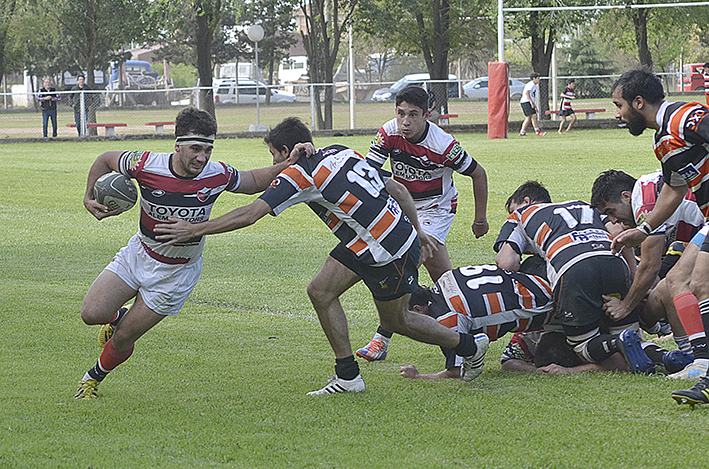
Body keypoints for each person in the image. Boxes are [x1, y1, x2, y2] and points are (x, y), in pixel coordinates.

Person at [153, 116, 490, 395]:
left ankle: (469, 347)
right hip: (376, 238)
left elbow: (251, 213)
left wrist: (194, 229)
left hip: (386, 250)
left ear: (286, 151)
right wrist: (415, 228)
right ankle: (347, 376)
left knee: (396, 321)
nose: (275, 165)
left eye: (274, 156)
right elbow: (398, 188)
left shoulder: (298, 173)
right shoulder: (339, 150)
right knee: (320, 291)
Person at [73, 107, 304, 399]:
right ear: (178, 145)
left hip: (177, 272)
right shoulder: (145, 164)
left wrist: (291, 162)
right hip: (139, 254)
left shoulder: (217, 174)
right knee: (92, 314)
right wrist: (88, 195)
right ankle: (117, 316)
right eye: (195, 148)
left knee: (124, 338)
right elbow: (105, 159)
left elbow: (255, 180)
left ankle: (92, 379)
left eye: (208, 149)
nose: (202, 157)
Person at [354, 85, 489, 362]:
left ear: (428, 114)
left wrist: (480, 220)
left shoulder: (444, 145)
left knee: (403, 265)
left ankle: (382, 338)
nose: (405, 121)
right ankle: (469, 336)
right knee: (445, 280)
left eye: (413, 115)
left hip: (435, 210)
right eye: (401, 113)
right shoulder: (388, 133)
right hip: (402, 207)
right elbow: (369, 175)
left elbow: (478, 174)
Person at [607, 69, 709, 406]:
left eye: (619, 105)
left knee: (699, 281)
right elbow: (675, 188)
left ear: (639, 102)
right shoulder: (663, 139)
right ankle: (703, 364)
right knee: (683, 277)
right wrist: (644, 230)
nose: (618, 113)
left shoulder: (683, 117)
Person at [494, 181, 654, 374]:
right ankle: (669, 358)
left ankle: (616, 342)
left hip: (573, 270)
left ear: (525, 202)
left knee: (584, 347)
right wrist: (630, 273)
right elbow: (618, 233)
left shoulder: (520, 215)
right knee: (634, 336)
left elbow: (507, 264)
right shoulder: (583, 203)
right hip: (613, 263)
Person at [590, 169, 703, 336]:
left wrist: (625, 306)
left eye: (610, 211)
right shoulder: (648, 188)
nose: (613, 220)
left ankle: (692, 352)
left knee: (672, 285)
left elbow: (650, 267)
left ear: (626, 196)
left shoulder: (645, 202)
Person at [399, 261, 555, 380]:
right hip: (543, 280)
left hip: (550, 310)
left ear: (418, 310)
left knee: (512, 361)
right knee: (509, 362)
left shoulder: (447, 319)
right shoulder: (445, 278)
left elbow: (456, 372)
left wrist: (419, 377)